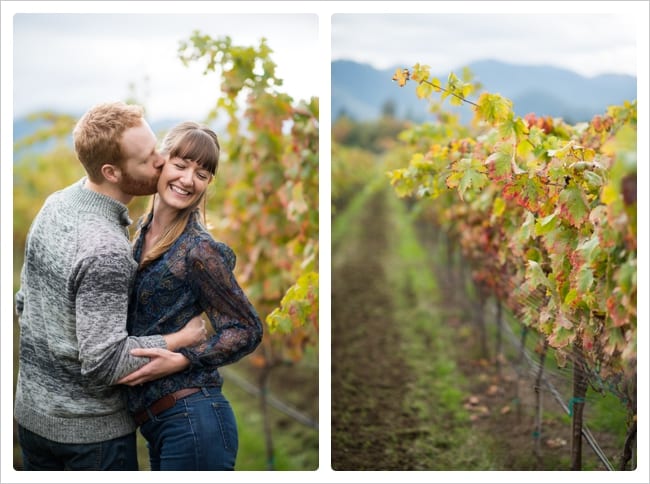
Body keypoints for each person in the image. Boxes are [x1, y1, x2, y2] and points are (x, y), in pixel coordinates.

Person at [14, 102, 207, 471]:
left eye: (156, 148)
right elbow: (107, 363)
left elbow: (25, 303)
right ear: (112, 172)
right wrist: (181, 338)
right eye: (147, 157)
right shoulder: (106, 249)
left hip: (32, 417)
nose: (161, 160)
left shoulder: (56, 204)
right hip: (89, 440)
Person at [116, 121, 263, 471]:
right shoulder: (140, 232)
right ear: (161, 163)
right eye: (181, 165)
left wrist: (183, 358)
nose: (188, 180)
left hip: (193, 420)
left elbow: (247, 328)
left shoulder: (199, 250)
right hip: (160, 423)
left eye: (202, 174)